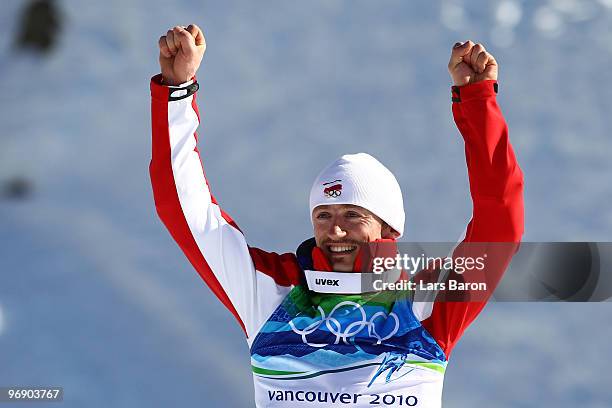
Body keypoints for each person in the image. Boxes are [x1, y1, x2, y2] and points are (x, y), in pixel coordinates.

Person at [150, 24, 524, 408]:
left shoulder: (422, 303)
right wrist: (177, 93)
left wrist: (479, 101)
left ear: (389, 226)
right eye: (323, 215)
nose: (335, 229)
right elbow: (185, 211)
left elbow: (500, 223)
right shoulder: (269, 291)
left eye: (353, 213)